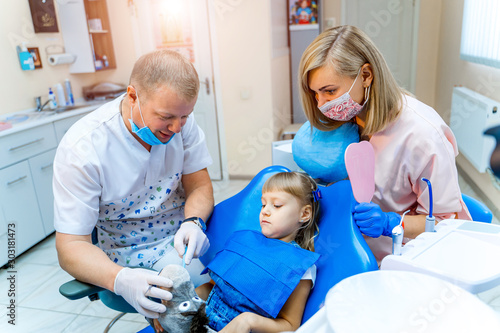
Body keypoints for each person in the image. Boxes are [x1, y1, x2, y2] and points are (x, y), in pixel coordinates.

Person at [53, 49, 214, 318]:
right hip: (122, 255)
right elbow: (70, 247)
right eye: (165, 117)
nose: (176, 128)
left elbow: (199, 185)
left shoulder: (181, 122)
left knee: (223, 292)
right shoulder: (83, 148)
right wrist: (121, 279)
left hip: (177, 240)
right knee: (182, 311)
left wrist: (194, 221)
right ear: (132, 96)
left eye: (184, 117)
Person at [298, 25, 471, 260]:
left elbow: (445, 222)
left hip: (397, 256)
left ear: (366, 75)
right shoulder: (345, 120)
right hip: (344, 245)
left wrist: (391, 222)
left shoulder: (422, 135)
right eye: (315, 93)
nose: (321, 105)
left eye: (329, 91)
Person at [152, 172, 321, 333]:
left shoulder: (300, 266)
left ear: (304, 214)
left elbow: (290, 325)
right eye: (263, 204)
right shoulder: (245, 242)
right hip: (201, 321)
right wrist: (180, 306)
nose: (265, 211)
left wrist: (247, 321)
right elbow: (212, 288)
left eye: (276, 205)